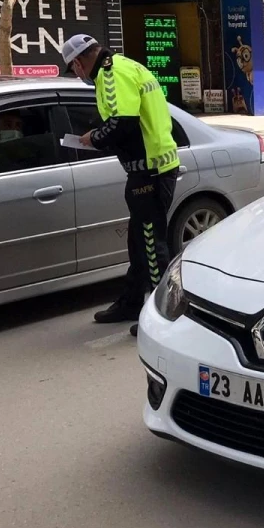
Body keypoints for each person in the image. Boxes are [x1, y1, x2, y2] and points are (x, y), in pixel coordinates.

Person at [61, 33, 180, 332]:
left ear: (77, 62)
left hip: (150, 170)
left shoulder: (112, 74)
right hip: (150, 167)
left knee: (152, 246)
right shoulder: (126, 66)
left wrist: (94, 138)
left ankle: (161, 317)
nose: (77, 75)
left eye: (73, 69)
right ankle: (130, 303)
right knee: (138, 242)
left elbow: (123, 123)